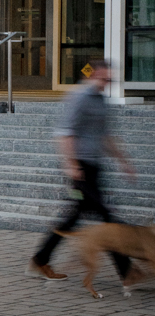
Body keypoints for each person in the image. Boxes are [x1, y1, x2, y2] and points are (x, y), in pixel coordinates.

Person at [30, 60, 136, 284]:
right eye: (103, 79)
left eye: (110, 80)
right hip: (80, 170)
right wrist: (71, 165)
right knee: (108, 217)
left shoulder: (101, 100)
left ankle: (40, 259)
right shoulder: (79, 97)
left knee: (73, 218)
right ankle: (127, 271)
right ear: (93, 75)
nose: (107, 83)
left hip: (94, 168)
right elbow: (64, 133)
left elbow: (105, 135)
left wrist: (123, 161)